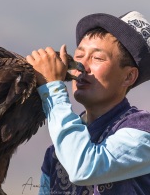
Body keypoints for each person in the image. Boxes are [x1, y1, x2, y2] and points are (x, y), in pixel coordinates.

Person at [26, 11, 150, 195]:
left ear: (129, 76)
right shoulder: (55, 154)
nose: (82, 67)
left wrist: (53, 89)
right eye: (79, 56)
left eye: (97, 58)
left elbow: (83, 167)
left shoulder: (142, 130)